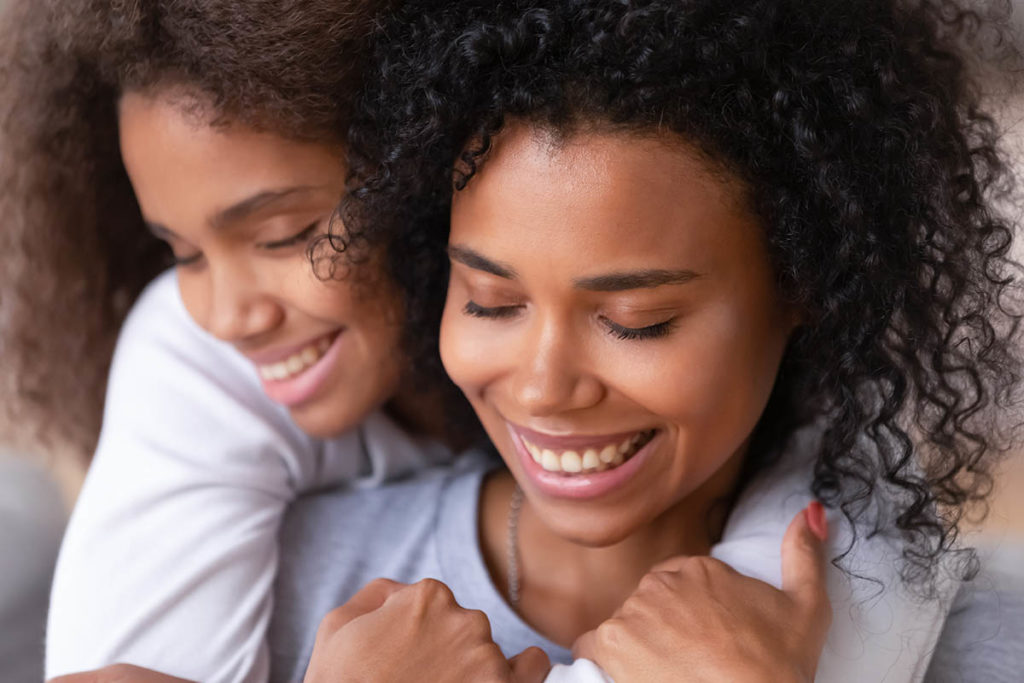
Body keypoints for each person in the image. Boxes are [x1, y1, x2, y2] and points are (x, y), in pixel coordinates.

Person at [0, 1, 903, 681]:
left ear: (416, 180)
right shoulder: (199, 364)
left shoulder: (861, 512)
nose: (230, 310)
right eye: (181, 251)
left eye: (284, 236)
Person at [266, 0, 1024, 680]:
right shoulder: (288, 585)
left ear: (805, 286)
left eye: (637, 321)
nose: (541, 386)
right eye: (491, 302)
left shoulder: (975, 641)